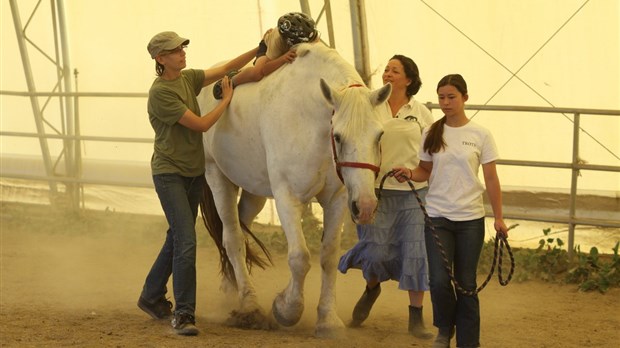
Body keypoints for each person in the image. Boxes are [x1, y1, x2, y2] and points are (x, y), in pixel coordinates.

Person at [138, 31, 258, 336]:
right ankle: (184, 314)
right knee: (186, 240)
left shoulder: (187, 78)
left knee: (176, 237)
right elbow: (202, 124)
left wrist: (257, 49)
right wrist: (227, 99)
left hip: (192, 173)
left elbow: (226, 68)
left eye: (182, 48)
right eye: (175, 50)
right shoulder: (161, 94)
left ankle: (151, 295)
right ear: (160, 59)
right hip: (170, 174)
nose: (182, 52)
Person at [392, 74, 509, 348]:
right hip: (437, 217)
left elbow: (491, 179)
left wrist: (499, 217)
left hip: (470, 219)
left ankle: (469, 342)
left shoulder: (480, 135)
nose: (446, 103)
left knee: (466, 283)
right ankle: (444, 329)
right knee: (439, 280)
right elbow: (425, 171)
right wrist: (409, 172)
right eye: (442, 97)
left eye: (451, 97)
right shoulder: (431, 132)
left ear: (465, 98)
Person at [338, 55, 434, 339]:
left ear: (409, 79)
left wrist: (417, 173)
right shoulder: (368, 105)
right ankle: (371, 288)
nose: (388, 74)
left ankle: (415, 318)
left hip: (412, 194)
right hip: (374, 191)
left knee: (415, 253)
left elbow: (431, 155)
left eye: (395, 70)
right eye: (387, 70)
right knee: (375, 250)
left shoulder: (421, 112)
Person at [212, 11, 319, 99]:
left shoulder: (311, 36)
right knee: (257, 73)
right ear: (290, 41)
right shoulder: (277, 41)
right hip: (268, 46)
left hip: (284, 47)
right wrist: (282, 59)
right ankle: (232, 80)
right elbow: (265, 69)